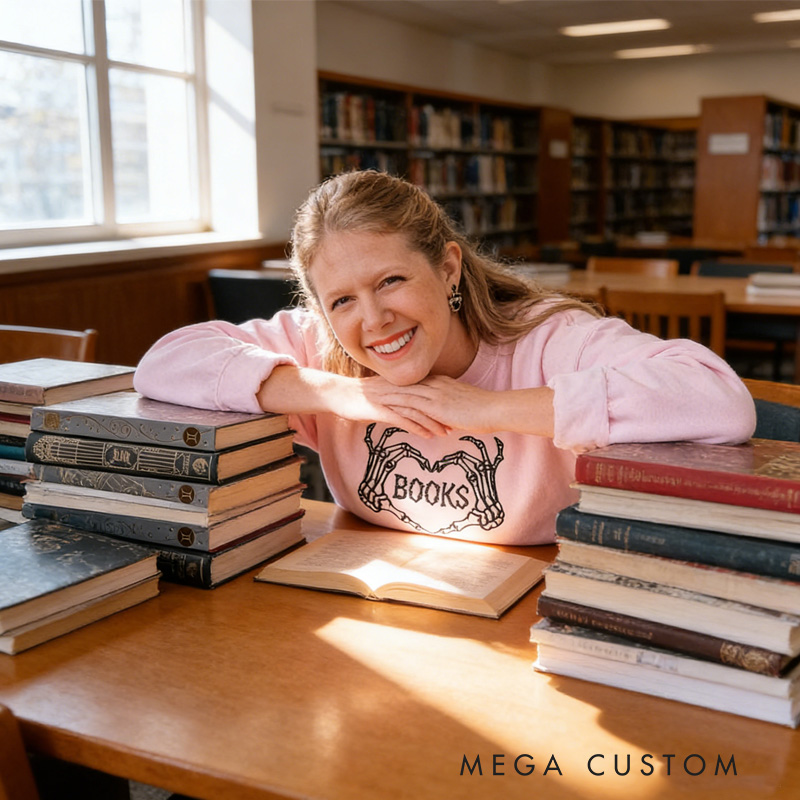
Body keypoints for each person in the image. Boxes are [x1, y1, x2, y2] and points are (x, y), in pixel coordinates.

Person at [134, 170, 756, 545]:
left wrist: (489, 409)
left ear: (448, 266)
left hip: (538, 613)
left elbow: (719, 398)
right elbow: (163, 361)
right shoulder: (322, 348)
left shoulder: (549, 340)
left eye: (391, 281)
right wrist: (339, 395)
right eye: (342, 299)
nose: (372, 321)